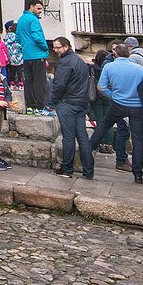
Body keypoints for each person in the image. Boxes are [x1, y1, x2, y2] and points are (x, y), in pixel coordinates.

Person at [91, 47, 143, 182]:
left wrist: (112, 96)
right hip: (136, 106)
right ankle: (138, 174)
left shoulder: (109, 67)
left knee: (103, 127)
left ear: (115, 54)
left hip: (118, 103)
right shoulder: (140, 69)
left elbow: (101, 87)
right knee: (138, 139)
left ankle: (87, 153)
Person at [49, 36, 94, 179]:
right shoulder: (79, 61)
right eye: (54, 47)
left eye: (57, 47)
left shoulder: (65, 62)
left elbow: (59, 84)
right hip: (81, 103)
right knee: (82, 137)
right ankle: (88, 170)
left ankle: (67, 168)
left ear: (66, 46)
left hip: (68, 103)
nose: (55, 50)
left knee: (68, 137)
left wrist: (53, 101)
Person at [15, 0, 51, 114]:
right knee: (40, 82)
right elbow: (37, 36)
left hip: (27, 56)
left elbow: (17, 38)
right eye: (39, 8)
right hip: (38, 54)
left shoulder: (20, 19)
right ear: (31, 7)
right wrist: (45, 47)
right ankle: (39, 108)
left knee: (28, 82)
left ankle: (30, 106)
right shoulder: (33, 19)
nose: (40, 11)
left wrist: (24, 49)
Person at [3, 20, 24, 90]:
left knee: (11, 72)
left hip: (11, 58)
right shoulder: (19, 36)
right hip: (19, 58)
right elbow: (21, 46)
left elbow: (6, 47)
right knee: (19, 72)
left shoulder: (7, 37)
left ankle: (11, 85)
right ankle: (20, 85)